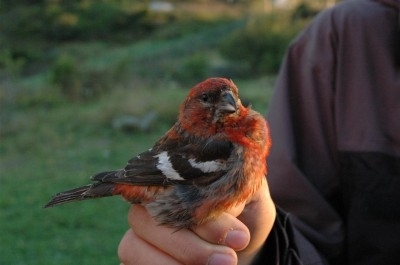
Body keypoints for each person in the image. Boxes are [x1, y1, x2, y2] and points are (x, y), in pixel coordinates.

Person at [118, 0, 400, 264]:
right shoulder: (347, 35)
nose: (229, 104)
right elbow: (304, 226)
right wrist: (261, 250)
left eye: (231, 97)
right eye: (209, 100)